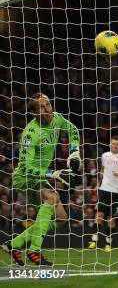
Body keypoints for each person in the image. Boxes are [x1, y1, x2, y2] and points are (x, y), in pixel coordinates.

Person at [2, 93, 81, 266]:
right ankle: (34, 250)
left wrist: (74, 151)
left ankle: (14, 245)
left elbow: (73, 130)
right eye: (42, 107)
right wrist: (51, 173)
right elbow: (24, 167)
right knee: (51, 198)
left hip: (41, 176)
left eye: (48, 105)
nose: (47, 110)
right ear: (34, 112)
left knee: (61, 219)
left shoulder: (57, 119)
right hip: (25, 178)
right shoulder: (30, 135)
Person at [88, 135, 118, 252]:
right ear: (110, 144)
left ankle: (108, 244)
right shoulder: (105, 155)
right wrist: (99, 182)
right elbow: (102, 170)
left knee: (111, 218)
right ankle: (93, 241)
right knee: (99, 215)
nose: (115, 145)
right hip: (104, 189)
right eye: (113, 143)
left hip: (116, 191)